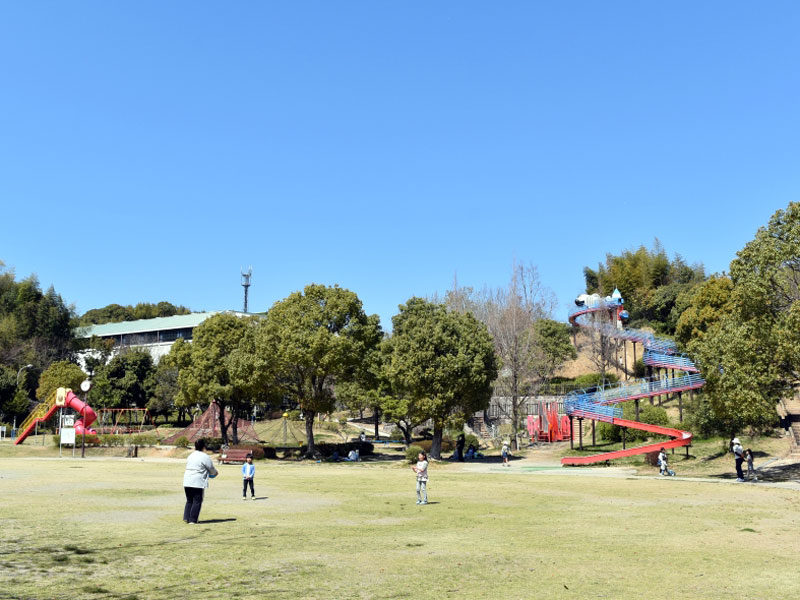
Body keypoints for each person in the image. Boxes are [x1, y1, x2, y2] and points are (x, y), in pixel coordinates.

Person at [183, 439, 218, 524]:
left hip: (187, 480)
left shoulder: (190, 455)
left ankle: (187, 517)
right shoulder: (204, 456)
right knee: (197, 500)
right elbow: (211, 468)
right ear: (203, 446)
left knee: (189, 500)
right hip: (197, 481)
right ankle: (192, 520)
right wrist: (215, 473)